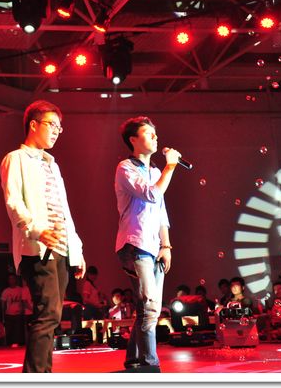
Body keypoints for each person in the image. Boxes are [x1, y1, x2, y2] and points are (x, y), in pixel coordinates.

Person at [0, 100, 86, 373]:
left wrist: (77, 249)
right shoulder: (16, 158)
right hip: (37, 247)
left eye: (60, 128)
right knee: (48, 312)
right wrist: (37, 230)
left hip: (60, 247)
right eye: (52, 125)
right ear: (33, 125)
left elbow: (64, 209)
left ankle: (41, 373)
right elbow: (14, 202)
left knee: (52, 314)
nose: (56, 132)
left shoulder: (52, 165)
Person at [114, 116, 181, 372]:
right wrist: (170, 167)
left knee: (148, 307)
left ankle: (134, 359)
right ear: (133, 139)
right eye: (148, 133)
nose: (155, 137)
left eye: (155, 133)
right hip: (135, 244)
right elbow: (151, 194)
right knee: (150, 306)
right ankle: (150, 365)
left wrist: (166, 245)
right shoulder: (125, 168)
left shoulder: (155, 172)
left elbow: (161, 211)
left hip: (155, 246)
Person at [1, 273, 32, 347]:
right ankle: (9, 346)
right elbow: (3, 304)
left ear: (15, 280)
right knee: (9, 332)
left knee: (18, 332)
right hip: (9, 314)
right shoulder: (6, 291)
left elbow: (23, 301)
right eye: (10, 279)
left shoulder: (20, 289)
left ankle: (18, 345)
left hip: (18, 314)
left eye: (13, 278)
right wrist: (3, 315)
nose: (11, 280)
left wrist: (22, 311)